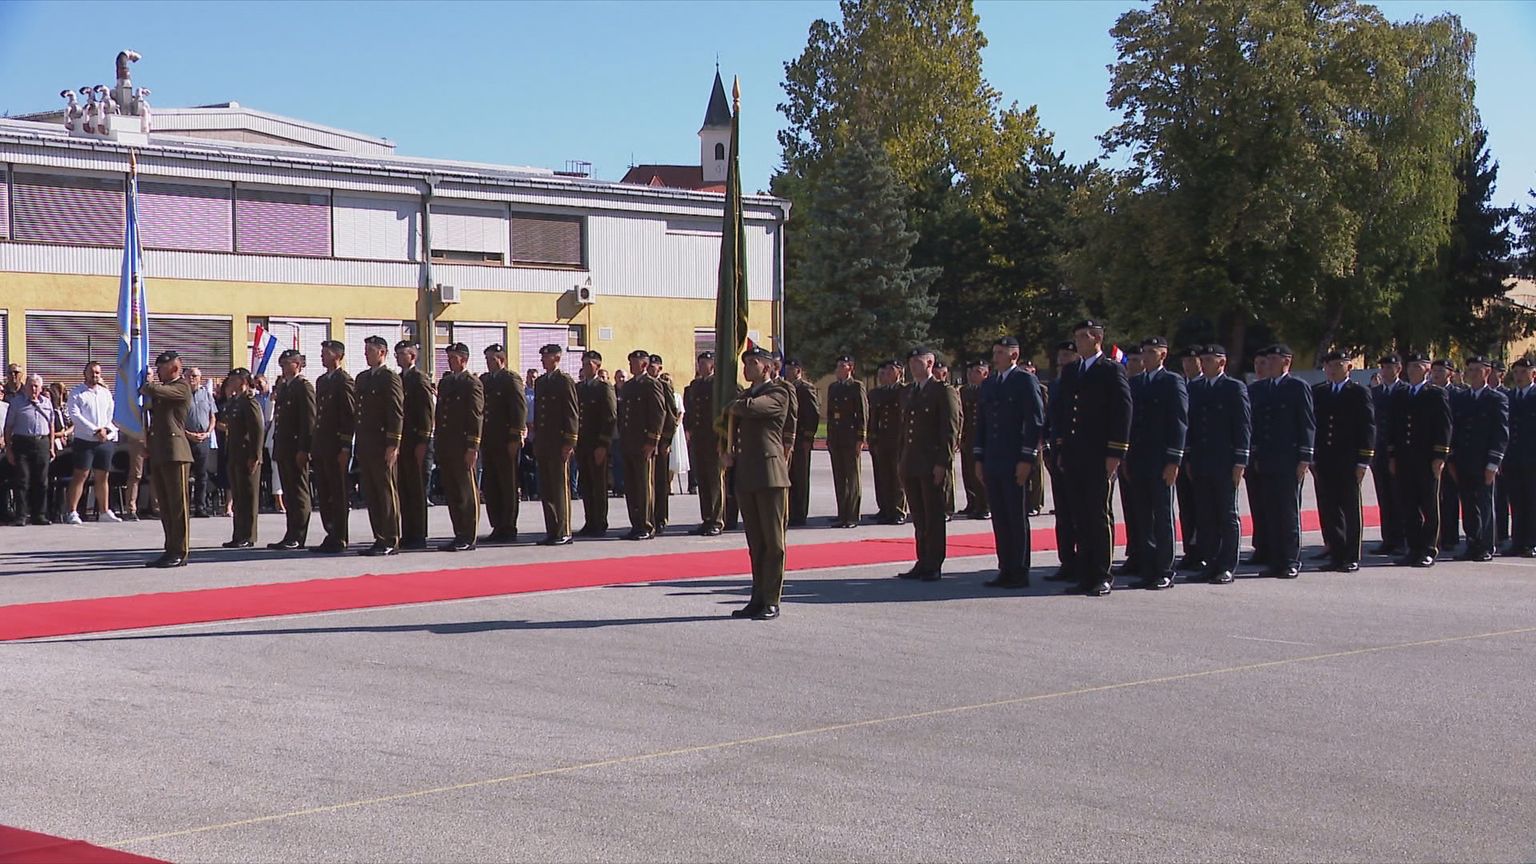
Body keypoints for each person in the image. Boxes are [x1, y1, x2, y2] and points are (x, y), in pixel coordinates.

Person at [1051, 321, 1133, 596]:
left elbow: (1122, 412)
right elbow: (1064, 412)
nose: (1078, 342)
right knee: (1079, 515)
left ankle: (1101, 574)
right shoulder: (1072, 370)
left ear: (1097, 338)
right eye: (1076, 337)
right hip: (1075, 453)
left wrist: (1116, 453)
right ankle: (1084, 573)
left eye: (1082, 337)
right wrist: (1062, 449)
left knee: (1098, 514)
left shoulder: (1110, 370)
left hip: (1099, 454)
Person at [725, 345, 792, 620]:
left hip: (770, 474)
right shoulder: (744, 396)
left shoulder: (779, 392)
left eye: (753, 363)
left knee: (773, 542)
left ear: (767, 366)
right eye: (746, 363)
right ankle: (757, 597)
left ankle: (772, 599)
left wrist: (733, 403)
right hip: (747, 474)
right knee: (756, 542)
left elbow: (754, 408)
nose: (747, 367)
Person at [974, 337, 1044, 589]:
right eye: (995, 352)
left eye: (1001, 353)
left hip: (1015, 459)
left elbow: (1035, 421)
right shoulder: (990, 383)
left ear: (1014, 355)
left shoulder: (1025, 381)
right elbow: (982, 423)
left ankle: (1019, 570)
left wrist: (1027, 458)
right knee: (1000, 517)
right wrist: (979, 458)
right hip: (993, 459)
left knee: (1016, 516)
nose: (995, 358)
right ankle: (1005, 567)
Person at [1125, 337, 1188, 590]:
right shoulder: (1136, 383)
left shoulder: (1172, 381)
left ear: (1163, 355)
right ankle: (1148, 567)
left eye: (1152, 352)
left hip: (1161, 460)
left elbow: (1179, 423)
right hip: (1139, 459)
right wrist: (1127, 458)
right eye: (1144, 352)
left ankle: (1164, 569)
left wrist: (1174, 460)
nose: (1146, 356)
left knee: (1163, 516)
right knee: (1143, 517)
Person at [1248, 344, 1315, 579]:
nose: (1269, 364)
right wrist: (1256, 455)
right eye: (1267, 359)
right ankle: (1275, 560)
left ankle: (1290, 560)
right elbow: (1257, 425)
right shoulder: (1262, 388)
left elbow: (1306, 424)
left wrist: (1305, 458)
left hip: (1289, 459)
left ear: (1287, 361)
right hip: (1266, 459)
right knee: (1270, 512)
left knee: (1288, 512)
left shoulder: (1297, 387)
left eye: (1274, 359)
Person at [895, 346, 961, 582]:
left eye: (918, 362)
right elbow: (905, 429)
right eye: (911, 362)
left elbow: (949, 430)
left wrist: (943, 463)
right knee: (919, 516)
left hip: (931, 463)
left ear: (930, 363)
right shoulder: (909, 391)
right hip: (911, 462)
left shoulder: (943, 391)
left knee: (933, 515)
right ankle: (922, 560)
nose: (913, 366)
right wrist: (901, 460)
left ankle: (934, 563)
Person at [1186, 345, 1251, 585]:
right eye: (1202, 359)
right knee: (1205, 515)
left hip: (1225, 462)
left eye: (1208, 360)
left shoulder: (1233, 388)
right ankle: (1210, 562)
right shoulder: (1196, 388)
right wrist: (1189, 458)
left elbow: (1242, 427)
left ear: (1221, 362)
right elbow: (1191, 426)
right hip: (1201, 461)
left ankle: (1226, 565)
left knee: (1227, 514)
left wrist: (1240, 461)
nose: (1203, 364)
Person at [1310, 351, 1375, 572]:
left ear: (1349, 367)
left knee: (1350, 507)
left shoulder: (1358, 392)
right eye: (1329, 365)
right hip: (1325, 459)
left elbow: (1368, 427)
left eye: (1338, 365)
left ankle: (1351, 555)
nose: (1333, 369)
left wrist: (1363, 460)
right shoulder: (1319, 392)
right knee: (1329, 508)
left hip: (1349, 459)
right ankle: (1336, 554)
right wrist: (1313, 457)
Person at [1388, 352, 1452, 568]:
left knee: (1429, 505)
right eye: (1411, 366)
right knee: (1408, 505)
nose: (1413, 370)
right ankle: (1413, 548)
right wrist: (1392, 454)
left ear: (1427, 370)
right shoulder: (1401, 394)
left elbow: (1444, 428)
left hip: (1426, 459)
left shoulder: (1435, 394)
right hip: (1405, 458)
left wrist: (1440, 456)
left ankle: (1429, 549)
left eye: (1418, 366)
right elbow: (1394, 427)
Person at [1449, 356, 1508, 562]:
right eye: (1470, 370)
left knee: (1485, 504)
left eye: (1477, 370)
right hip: (1464, 460)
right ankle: (1472, 543)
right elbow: (1455, 430)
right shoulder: (1461, 398)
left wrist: (1493, 463)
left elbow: (1500, 434)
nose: (1472, 374)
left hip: (1484, 462)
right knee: (1468, 504)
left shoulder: (1496, 399)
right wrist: (1452, 459)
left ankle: (1486, 545)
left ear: (1487, 372)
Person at [140, 351, 193, 567]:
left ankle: (180, 550)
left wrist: (147, 383)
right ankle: (170, 548)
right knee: (165, 504)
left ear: (174, 368)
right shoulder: (162, 390)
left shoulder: (181, 386)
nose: (158, 372)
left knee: (178, 504)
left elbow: (156, 390)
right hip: (160, 450)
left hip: (176, 451)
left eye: (161, 368)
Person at [354, 336, 404, 556]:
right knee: (372, 492)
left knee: (386, 491)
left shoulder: (389, 378)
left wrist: (393, 443)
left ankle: (391, 538)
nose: (366, 354)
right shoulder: (363, 378)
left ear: (382, 353)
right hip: (367, 443)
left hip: (382, 443)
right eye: (365, 350)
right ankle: (379, 536)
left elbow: (395, 412)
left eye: (370, 351)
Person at [435, 342, 484, 552]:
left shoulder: (471, 383)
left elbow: (475, 416)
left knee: (466, 491)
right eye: (448, 358)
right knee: (453, 491)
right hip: (448, 444)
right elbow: (440, 414)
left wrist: (472, 447)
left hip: (463, 445)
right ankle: (459, 533)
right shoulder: (446, 382)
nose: (450, 361)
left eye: (453, 358)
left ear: (464, 360)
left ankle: (469, 535)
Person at [310, 340, 357, 554]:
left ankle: (340, 536)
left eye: (325, 353)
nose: (322, 356)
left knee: (338, 492)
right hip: (322, 444)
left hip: (336, 445)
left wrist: (345, 447)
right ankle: (330, 532)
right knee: (324, 491)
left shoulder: (344, 381)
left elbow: (348, 416)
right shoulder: (322, 381)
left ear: (337, 356)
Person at [268, 349, 315, 550]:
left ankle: (298, 535)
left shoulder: (303, 387)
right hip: (284, 446)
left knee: (299, 492)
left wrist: (304, 449)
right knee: (288, 492)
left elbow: (309, 421)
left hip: (296, 447)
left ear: (297, 365)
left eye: (287, 363)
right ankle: (290, 533)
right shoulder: (285, 387)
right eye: (282, 364)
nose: (283, 367)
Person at [480, 343, 527, 545]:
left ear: (502, 360)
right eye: (487, 359)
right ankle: (497, 525)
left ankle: (508, 526)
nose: (489, 363)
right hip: (489, 439)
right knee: (491, 484)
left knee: (508, 484)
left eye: (492, 359)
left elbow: (519, 409)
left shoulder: (510, 379)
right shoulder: (485, 380)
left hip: (506, 440)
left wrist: (516, 437)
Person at [63, 361, 121, 524]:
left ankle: (104, 511)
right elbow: (75, 415)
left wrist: (106, 430)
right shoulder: (77, 393)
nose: (95, 375)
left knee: (103, 476)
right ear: (85, 373)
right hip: (85, 441)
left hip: (104, 441)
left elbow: (110, 414)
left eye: (97, 372)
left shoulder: (105, 393)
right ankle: (72, 512)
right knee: (81, 475)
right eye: (92, 372)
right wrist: (95, 430)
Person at [533, 343, 579, 545]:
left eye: (547, 357)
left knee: (560, 487)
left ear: (557, 358)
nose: (543, 360)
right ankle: (552, 529)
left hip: (559, 441)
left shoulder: (564, 381)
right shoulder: (541, 382)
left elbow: (571, 413)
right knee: (547, 488)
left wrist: (569, 441)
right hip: (545, 441)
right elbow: (539, 413)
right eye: (543, 357)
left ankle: (563, 530)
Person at [1043, 340, 1081, 581]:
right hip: (1058, 453)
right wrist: (1047, 448)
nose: (1062, 359)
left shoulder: (1081, 382)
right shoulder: (1056, 385)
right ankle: (1067, 561)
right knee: (1063, 513)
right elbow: (1050, 419)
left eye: (1067, 355)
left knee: (1080, 512)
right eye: (1060, 355)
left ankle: (1085, 560)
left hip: (1077, 453)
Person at [619, 350, 667, 539]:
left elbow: (658, 413)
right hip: (629, 442)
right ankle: (636, 523)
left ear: (644, 365)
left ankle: (647, 525)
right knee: (631, 486)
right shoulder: (629, 386)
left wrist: (652, 441)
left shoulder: (651, 384)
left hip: (644, 443)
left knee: (644, 485)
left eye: (635, 363)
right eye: (630, 362)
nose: (631, 366)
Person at [3, 373, 59, 525]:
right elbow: (8, 427)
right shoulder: (16, 403)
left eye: (36, 386)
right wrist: (9, 449)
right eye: (30, 386)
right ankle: (21, 516)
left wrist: (51, 446)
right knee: (23, 480)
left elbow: (51, 425)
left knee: (42, 481)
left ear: (40, 388)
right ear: (25, 387)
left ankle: (39, 515)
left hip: (42, 442)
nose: (33, 389)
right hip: (22, 443)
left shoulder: (46, 403)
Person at [395, 340, 436, 549]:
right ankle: (408, 531)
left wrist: (423, 441)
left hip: (417, 441)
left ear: (412, 356)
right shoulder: (399, 378)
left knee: (417, 489)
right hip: (404, 441)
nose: (398, 357)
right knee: (404, 488)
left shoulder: (419, 379)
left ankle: (418, 534)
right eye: (396, 354)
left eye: (402, 353)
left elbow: (427, 413)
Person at [220, 367, 264, 549]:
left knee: (248, 496)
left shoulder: (249, 402)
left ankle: (248, 535)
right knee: (238, 496)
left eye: (234, 379)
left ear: (244, 381)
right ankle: (238, 534)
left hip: (247, 455)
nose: (230, 382)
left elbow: (257, 429)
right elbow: (225, 420)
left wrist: (255, 455)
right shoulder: (235, 401)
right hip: (235, 454)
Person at [576, 350, 617, 537]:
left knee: (598, 484)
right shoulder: (580, 388)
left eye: (589, 364)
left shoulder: (604, 388)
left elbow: (610, 418)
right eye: (583, 364)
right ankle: (590, 520)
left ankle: (600, 521)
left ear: (598, 366)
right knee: (586, 483)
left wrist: (603, 444)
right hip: (583, 443)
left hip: (597, 444)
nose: (585, 367)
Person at [1370, 355, 1408, 555]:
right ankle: (1388, 539)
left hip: (1400, 453)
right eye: (1383, 367)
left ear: (1398, 368)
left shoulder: (1405, 391)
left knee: (1400, 497)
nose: (1385, 371)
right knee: (1384, 497)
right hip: (1380, 452)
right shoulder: (1376, 393)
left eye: (1389, 367)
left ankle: (1402, 539)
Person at [825, 354, 867, 528]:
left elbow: (862, 414)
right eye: (838, 366)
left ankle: (852, 515)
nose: (839, 369)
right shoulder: (833, 387)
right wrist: (829, 437)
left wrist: (860, 438)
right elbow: (830, 415)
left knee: (852, 478)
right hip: (836, 437)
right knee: (839, 477)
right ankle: (841, 513)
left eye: (842, 366)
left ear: (851, 368)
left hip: (850, 437)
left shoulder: (856, 386)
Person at [683, 351, 723, 536]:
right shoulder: (695, 385)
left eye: (704, 363)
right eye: (699, 363)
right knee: (703, 480)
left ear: (712, 365)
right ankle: (706, 518)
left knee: (715, 481)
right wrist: (689, 429)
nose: (700, 367)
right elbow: (690, 411)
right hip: (699, 439)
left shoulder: (719, 384)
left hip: (713, 439)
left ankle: (717, 520)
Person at [1500, 357, 1536, 557]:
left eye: (1523, 372)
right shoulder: (1509, 397)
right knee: (1516, 501)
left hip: (1533, 458)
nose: (1519, 377)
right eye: (1516, 373)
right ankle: (1518, 541)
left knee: (1532, 501)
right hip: (1513, 458)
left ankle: (1532, 541)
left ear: (1533, 374)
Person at [1243, 348, 1274, 568]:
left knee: (1276, 506)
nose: (1259, 368)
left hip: (1275, 457)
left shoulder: (1281, 388)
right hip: (1254, 455)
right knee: (1257, 503)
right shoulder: (1251, 390)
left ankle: (1276, 548)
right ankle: (1261, 547)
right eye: (1256, 364)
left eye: (1263, 363)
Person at [1174, 346, 1204, 569]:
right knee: (1186, 506)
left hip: (1201, 456)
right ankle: (1190, 550)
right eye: (1185, 361)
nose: (1187, 365)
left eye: (1192, 361)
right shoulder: (1181, 385)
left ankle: (1204, 549)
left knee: (1203, 505)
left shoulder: (1205, 386)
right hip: (1182, 455)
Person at [867, 359, 907, 525]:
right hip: (882, 439)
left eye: (892, 369)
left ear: (900, 372)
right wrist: (872, 437)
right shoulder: (878, 393)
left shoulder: (904, 391)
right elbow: (874, 417)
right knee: (883, 476)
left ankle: (898, 511)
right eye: (886, 370)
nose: (888, 373)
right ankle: (885, 508)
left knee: (897, 478)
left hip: (898, 439)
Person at [1431, 359, 1464, 552]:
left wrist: (1450, 452)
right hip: (1432, 453)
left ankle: (1450, 536)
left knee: (1450, 496)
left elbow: (1456, 425)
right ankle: (1436, 535)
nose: (1436, 374)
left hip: (1452, 454)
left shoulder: (1457, 395)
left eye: (1441, 371)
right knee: (1433, 497)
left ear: (1450, 373)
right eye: (1434, 370)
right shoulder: (1429, 392)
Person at [783, 358, 820, 527]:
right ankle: (790, 511)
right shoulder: (784, 387)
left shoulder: (805, 388)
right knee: (789, 476)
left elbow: (812, 414)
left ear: (798, 370)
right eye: (786, 368)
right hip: (787, 439)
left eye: (791, 369)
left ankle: (800, 513)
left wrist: (808, 437)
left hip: (801, 439)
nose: (787, 372)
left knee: (800, 477)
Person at [647, 354, 679, 534]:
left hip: (660, 443)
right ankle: (648, 515)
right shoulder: (644, 385)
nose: (650, 369)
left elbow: (671, 415)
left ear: (660, 368)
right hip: (646, 441)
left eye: (653, 367)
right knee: (647, 482)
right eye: (648, 366)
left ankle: (661, 517)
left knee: (660, 481)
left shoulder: (663, 385)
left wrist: (666, 441)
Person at [959, 360, 991, 520]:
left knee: (981, 474)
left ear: (985, 374)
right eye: (971, 372)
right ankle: (972, 503)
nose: (972, 375)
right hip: (968, 436)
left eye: (977, 372)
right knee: (968, 473)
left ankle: (985, 506)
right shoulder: (965, 391)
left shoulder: (990, 389)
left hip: (983, 437)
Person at [183, 367, 217, 518]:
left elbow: (212, 416)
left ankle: (200, 507)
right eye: (189, 375)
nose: (192, 378)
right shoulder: (182, 395)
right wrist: (188, 434)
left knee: (201, 475)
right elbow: (176, 419)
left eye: (195, 376)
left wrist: (208, 433)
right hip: (186, 439)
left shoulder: (206, 394)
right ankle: (184, 506)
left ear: (200, 378)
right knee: (184, 475)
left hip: (203, 439)